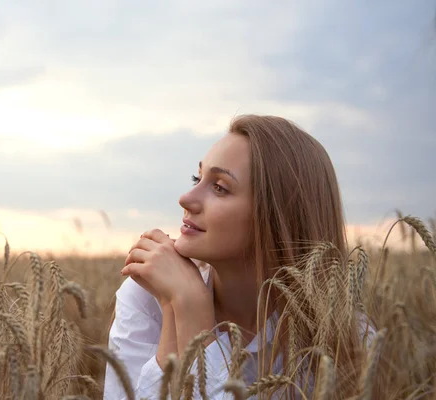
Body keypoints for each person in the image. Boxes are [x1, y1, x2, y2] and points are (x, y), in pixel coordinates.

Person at [103, 115, 376, 399]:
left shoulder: (348, 339)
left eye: (219, 187)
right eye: (197, 177)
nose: (185, 198)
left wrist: (194, 319)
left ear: (276, 216)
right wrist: (179, 307)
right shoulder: (148, 295)